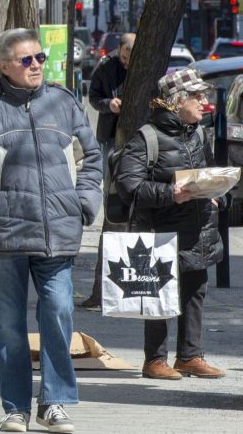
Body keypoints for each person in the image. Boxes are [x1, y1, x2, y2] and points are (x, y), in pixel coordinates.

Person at [0, 28, 102, 433]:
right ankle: (15, 408)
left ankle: (55, 402)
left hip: (58, 231)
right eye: (26, 60)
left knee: (59, 311)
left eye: (39, 59)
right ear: (4, 66)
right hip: (5, 234)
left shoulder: (62, 102)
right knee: (9, 326)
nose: (36, 66)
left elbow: (93, 157)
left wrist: (83, 203)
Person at [116, 68, 225, 381]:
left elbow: (206, 170)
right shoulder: (148, 137)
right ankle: (155, 360)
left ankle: (190, 356)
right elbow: (128, 185)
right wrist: (169, 194)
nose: (204, 102)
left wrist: (215, 191)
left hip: (198, 229)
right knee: (159, 294)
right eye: (197, 96)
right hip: (160, 231)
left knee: (195, 292)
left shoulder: (198, 133)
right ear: (178, 102)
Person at [82, 32, 136, 308]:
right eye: (125, 58)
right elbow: (93, 97)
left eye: (130, 59)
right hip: (109, 135)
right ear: (119, 52)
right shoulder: (106, 66)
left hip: (134, 136)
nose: (127, 63)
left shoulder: (140, 65)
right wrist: (109, 105)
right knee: (110, 187)